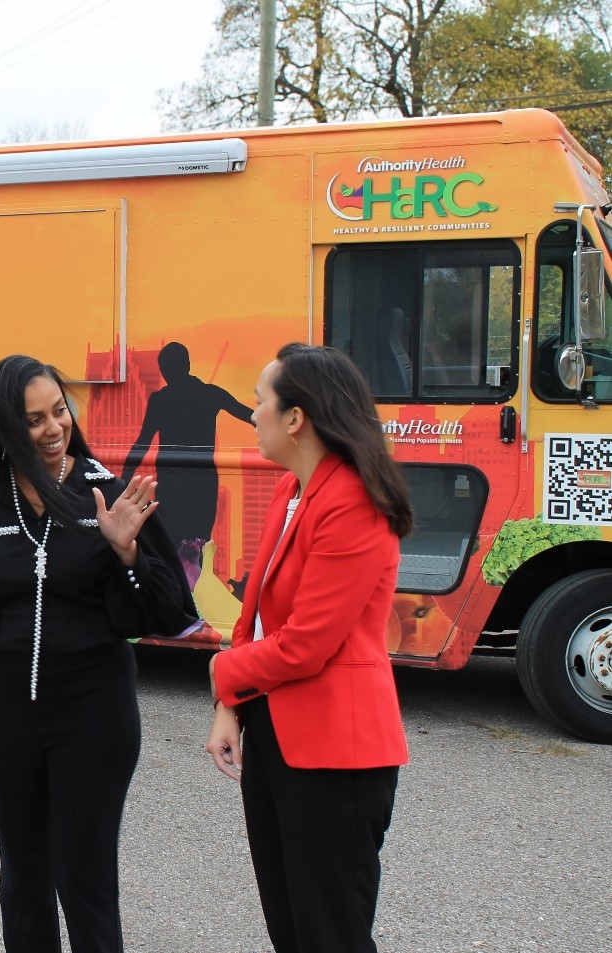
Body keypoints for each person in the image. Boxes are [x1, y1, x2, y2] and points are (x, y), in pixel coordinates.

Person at [0, 355, 196, 953]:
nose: (52, 429)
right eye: (33, 419)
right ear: (4, 428)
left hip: (94, 715)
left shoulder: (108, 493)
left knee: (84, 880)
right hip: (4, 715)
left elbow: (171, 611)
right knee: (23, 875)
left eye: (59, 411)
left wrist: (126, 554)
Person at [204, 343, 412, 953]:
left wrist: (222, 672)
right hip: (279, 739)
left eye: (260, 402)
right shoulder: (298, 492)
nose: (253, 415)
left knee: (331, 936)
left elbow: (306, 646)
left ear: (296, 418)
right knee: (292, 931)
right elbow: (256, 617)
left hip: (336, 758)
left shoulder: (352, 501)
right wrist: (232, 707)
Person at [119, 341, 253, 550]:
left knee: (171, 545)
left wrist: (125, 478)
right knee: (198, 545)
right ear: (188, 364)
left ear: (164, 371)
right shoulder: (210, 394)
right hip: (203, 483)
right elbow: (249, 415)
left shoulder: (160, 400)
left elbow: (142, 443)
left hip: (172, 484)